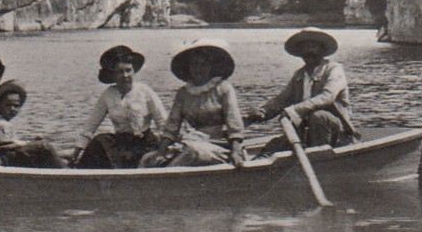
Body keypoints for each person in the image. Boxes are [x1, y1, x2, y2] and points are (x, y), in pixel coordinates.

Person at [245, 28, 359, 153]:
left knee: (318, 116)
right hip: (307, 130)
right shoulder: (299, 75)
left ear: (322, 50)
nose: (309, 52)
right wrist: (263, 112)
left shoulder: (334, 69)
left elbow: (327, 97)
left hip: (336, 129)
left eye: (313, 48)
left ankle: (320, 155)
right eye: (304, 49)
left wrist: (294, 110)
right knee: (274, 147)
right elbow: (282, 100)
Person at [140, 39, 247, 168]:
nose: (199, 69)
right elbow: (172, 125)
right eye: (194, 65)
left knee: (193, 151)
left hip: (220, 144)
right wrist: (160, 152)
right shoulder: (183, 93)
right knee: (148, 158)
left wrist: (236, 150)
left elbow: (234, 122)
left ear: (211, 67)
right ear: (188, 68)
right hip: (191, 140)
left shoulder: (223, 88)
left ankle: (164, 180)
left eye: (203, 65)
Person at [73, 44, 167, 169]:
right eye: (120, 72)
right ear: (112, 75)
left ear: (134, 71)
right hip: (120, 143)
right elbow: (90, 126)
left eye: (128, 70)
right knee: (100, 140)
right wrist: (76, 153)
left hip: (144, 143)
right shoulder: (108, 95)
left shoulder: (145, 91)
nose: (125, 76)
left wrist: (164, 149)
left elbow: (162, 121)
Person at [0, 81, 68, 168]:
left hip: (10, 157)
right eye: (8, 105)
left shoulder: (2, 122)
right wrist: (27, 144)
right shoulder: (0, 124)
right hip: (6, 160)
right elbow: (5, 146)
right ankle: (66, 173)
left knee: (61, 156)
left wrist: (29, 143)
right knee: (44, 146)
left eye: (16, 106)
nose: (12, 109)